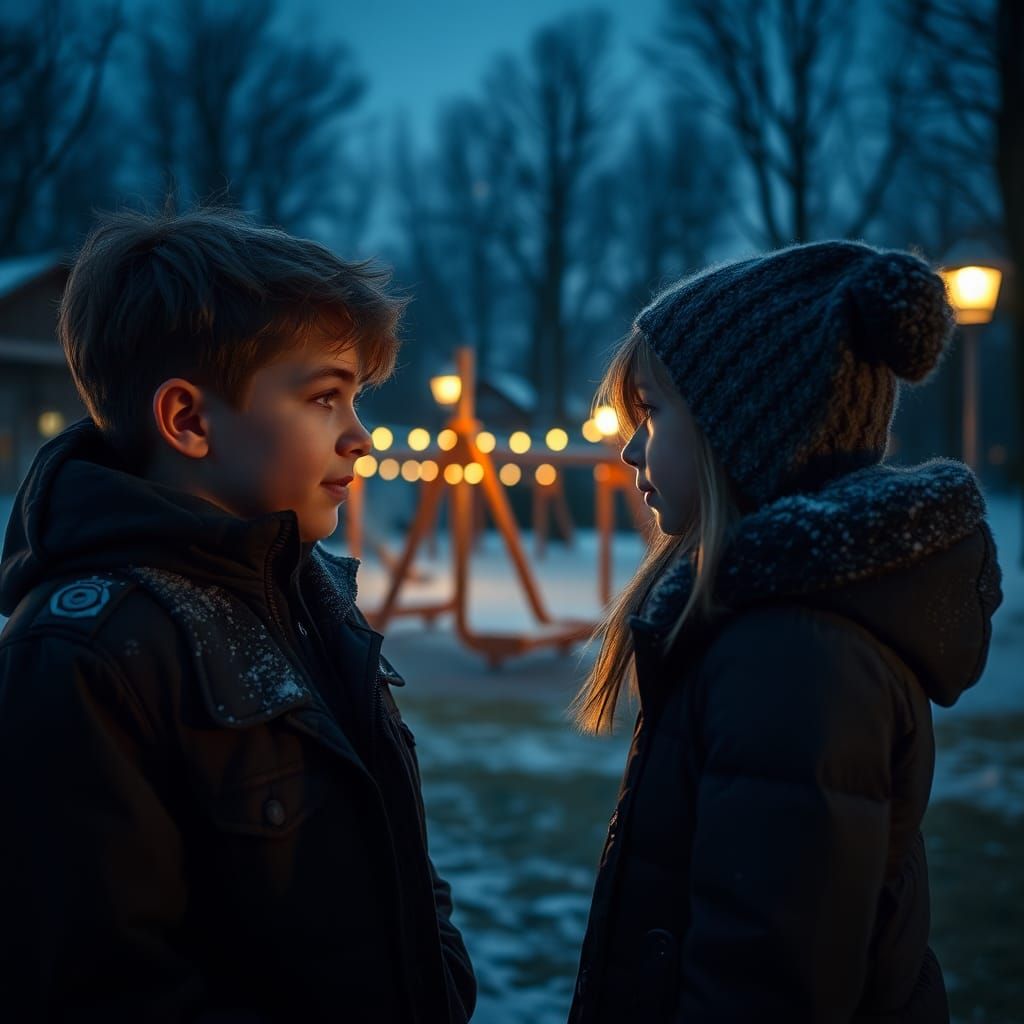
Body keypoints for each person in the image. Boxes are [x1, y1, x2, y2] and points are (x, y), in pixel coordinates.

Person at [0, 207, 475, 1022]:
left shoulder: (312, 600)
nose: (360, 437)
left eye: (355, 399)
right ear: (188, 420)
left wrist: (440, 976)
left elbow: (395, 856)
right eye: (325, 397)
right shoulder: (84, 655)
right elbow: (100, 988)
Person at [568, 241, 1003, 1023]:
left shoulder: (793, 659)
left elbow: (764, 982)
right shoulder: (764, 631)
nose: (629, 447)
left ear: (738, 429)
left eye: (652, 413)